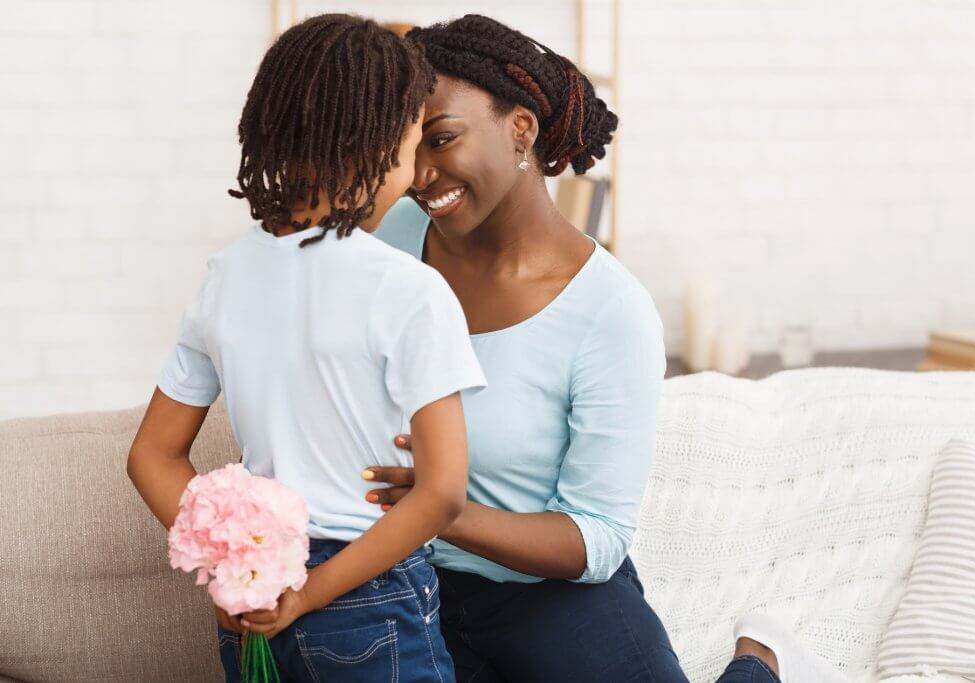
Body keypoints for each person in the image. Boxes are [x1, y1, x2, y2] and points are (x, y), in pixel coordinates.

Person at [364, 15, 848, 683]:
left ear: (521, 129)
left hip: (551, 595)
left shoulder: (609, 310)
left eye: (441, 140)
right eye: (410, 146)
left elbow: (595, 538)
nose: (419, 174)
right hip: (407, 583)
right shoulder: (396, 235)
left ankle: (762, 660)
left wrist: (444, 511)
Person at [126, 14, 485, 682]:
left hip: (254, 602)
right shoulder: (409, 289)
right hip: (370, 599)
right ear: (378, 147)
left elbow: (152, 453)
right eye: (411, 149)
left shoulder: (225, 276)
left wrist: (237, 570)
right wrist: (311, 595)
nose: (413, 175)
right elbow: (441, 492)